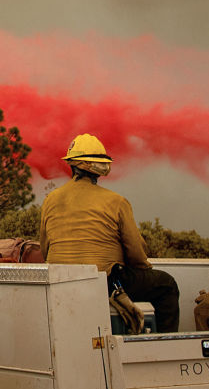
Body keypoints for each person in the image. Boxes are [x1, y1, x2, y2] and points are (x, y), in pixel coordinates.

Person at [40, 133, 179, 332]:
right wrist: (142, 269)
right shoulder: (116, 202)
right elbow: (136, 253)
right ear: (100, 168)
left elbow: (45, 249)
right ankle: (167, 349)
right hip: (105, 281)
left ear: (71, 164)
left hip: (60, 282)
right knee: (166, 284)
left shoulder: (50, 200)